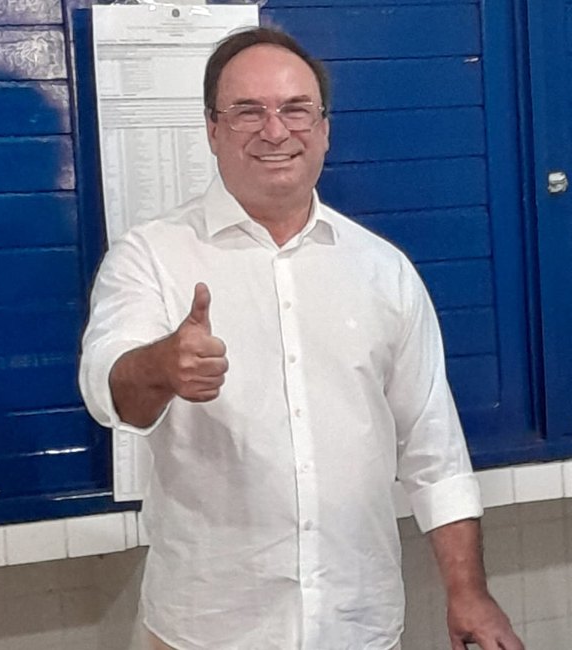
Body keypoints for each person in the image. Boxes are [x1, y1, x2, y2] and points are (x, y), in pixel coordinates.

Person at [79, 27, 523, 650]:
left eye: (295, 110)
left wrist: (468, 592)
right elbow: (110, 388)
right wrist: (162, 365)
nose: (275, 130)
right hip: (206, 633)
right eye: (246, 112)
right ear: (211, 129)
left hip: (356, 627)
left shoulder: (382, 270)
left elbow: (433, 450)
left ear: (325, 128)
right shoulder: (150, 257)